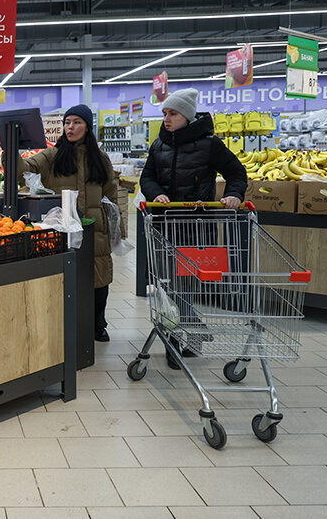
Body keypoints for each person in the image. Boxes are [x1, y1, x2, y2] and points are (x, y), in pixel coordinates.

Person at [140, 87, 248, 368]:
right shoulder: (158, 145)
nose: (167, 119)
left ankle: (180, 339)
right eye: (164, 113)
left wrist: (235, 193)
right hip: (165, 226)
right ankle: (190, 332)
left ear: (186, 116)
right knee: (168, 285)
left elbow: (236, 172)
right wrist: (155, 194)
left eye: (172, 113)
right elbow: (147, 177)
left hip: (196, 227)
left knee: (184, 286)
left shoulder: (210, 145)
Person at [18, 104, 119, 342]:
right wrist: (12, 149)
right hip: (63, 227)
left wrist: (117, 229)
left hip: (96, 227)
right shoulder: (53, 156)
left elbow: (111, 195)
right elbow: (26, 169)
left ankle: (98, 324)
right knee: (67, 277)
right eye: (67, 123)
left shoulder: (100, 158)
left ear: (87, 126)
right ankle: (66, 323)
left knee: (99, 279)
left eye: (76, 122)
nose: (70, 127)